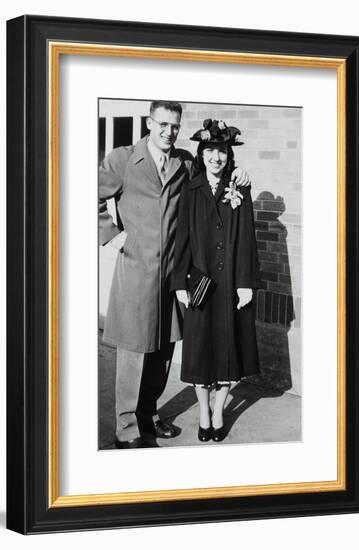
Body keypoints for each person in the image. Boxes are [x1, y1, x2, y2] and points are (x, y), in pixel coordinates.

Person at [99, 102, 251, 449]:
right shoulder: (123, 159)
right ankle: (126, 427)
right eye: (163, 124)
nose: (169, 131)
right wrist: (111, 234)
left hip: (173, 273)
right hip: (137, 270)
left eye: (175, 125)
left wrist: (242, 175)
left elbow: (215, 169)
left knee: (164, 349)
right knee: (135, 349)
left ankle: (149, 415)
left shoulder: (184, 161)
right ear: (150, 123)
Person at [171, 119, 260, 443]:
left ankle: (219, 411)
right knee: (199, 355)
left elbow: (248, 238)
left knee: (228, 353)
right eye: (210, 150)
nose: (216, 157)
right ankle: (204, 412)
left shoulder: (240, 187)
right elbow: (181, 239)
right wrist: (180, 282)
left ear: (228, 154)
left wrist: (246, 282)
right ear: (202, 153)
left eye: (221, 151)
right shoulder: (191, 191)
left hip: (231, 288)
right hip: (200, 287)